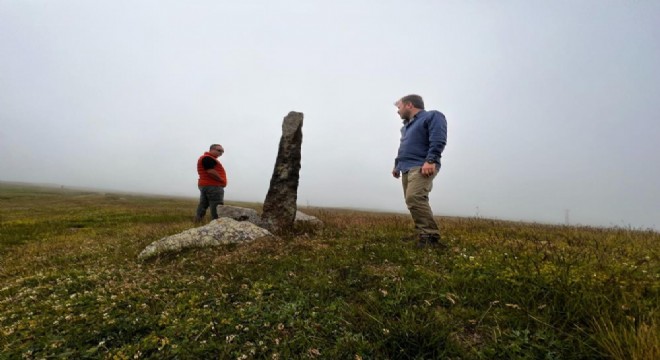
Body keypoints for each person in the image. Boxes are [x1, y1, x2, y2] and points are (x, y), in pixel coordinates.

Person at [392, 94, 448, 248]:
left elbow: (438, 138)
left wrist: (431, 160)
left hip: (422, 164)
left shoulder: (432, 116)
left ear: (409, 105)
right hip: (406, 167)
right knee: (412, 200)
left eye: (399, 107)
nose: (398, 111)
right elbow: (404, 146)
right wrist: (397, 165)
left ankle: (430, 237)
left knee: (414, 197)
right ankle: (421, 233)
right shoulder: (405, 127)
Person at [195, 144, 227, 222]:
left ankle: (197, 221)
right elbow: (210, 171)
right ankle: (217, 224)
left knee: (203, 204)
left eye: (222, 152)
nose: (221, 153)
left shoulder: (206, 158)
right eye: (219, 150)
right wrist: (221, 180)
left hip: (205, 185)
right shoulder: (208, 158)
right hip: (213, 186)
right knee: (217, 205)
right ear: (212, 149)